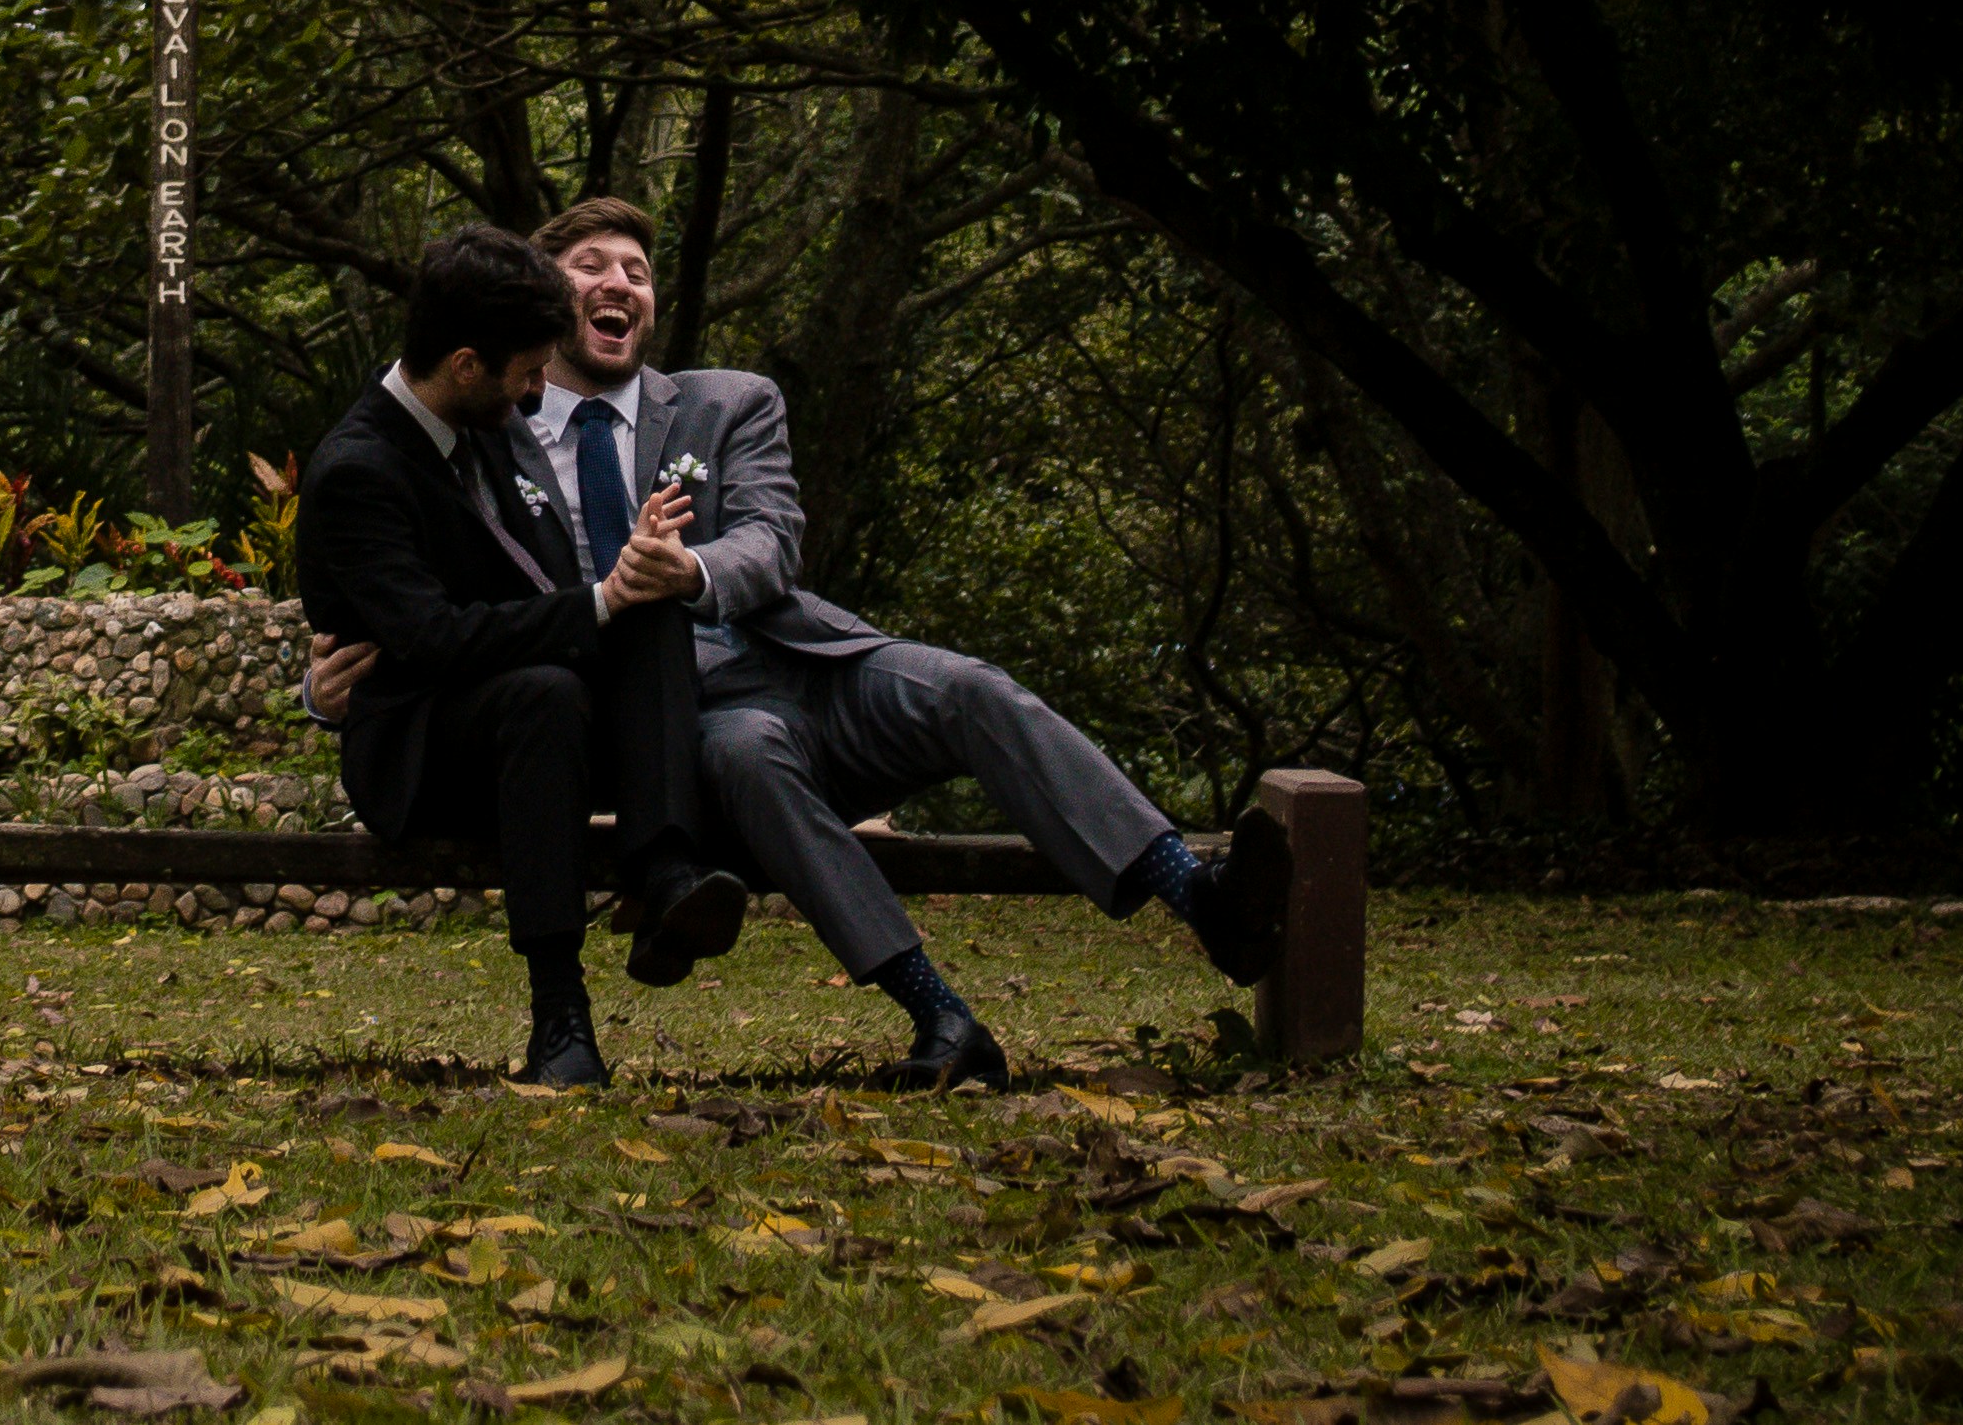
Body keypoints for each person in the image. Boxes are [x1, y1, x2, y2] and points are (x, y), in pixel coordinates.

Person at [310, 196, 1284, 1091]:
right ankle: (942, 1020)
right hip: (679, 722)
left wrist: (686, 571)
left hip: (802, 654)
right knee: (749, 759)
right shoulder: (481, 429)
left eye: (639, 269)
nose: (619, 282)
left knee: (971, 688)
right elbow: (393, 574)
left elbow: (773, 540)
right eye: (591, 264)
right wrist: (325, 679)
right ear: (538, 302)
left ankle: (1199, 897)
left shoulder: (731, 400)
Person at [293, 222, 757, 1088]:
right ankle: (560, 1014)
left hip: (538, 713)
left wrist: (629, 569)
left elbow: (545, 585)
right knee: (543, 688)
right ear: (465, 365)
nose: (542, 389)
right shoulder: (359, 471)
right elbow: (429, 641)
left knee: (646, 599)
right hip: (423, 743)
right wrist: (593, 603)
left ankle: (664, 876)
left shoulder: (492, 423)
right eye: (529, 371)